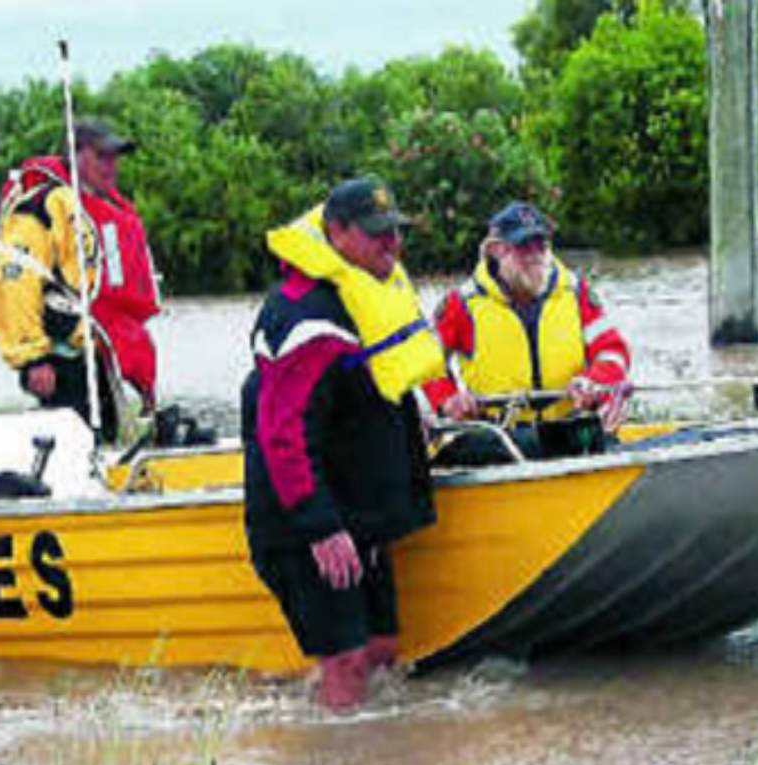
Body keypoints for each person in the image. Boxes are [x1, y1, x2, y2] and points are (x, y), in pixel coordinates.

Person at [242, 178, 447, 713]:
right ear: (336, 233)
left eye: (396, 234)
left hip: (358, 516)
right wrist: (320, 526)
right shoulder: (304, 313)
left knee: (381, 651)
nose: (392, 247)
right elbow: (282, 431)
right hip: (306, 522)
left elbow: (383, 390)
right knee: (348, 661)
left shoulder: (369, 296)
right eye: (377, 235)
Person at [0, 120, 162, 442]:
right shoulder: (38, 209)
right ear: (76, 156)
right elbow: (14, 282)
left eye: (115, 157)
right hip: (61, 358)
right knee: (77, 445)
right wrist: (33, 359)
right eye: (102, 156)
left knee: (110, 440)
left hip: (96, 353)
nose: (111, 166)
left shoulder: (101, 208)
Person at [421, 202, 633, 462]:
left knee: (599, 438)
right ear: (496, 250)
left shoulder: (576, 293)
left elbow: (613, 351)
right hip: (499, 437)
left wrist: (593, 380)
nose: (535, 255)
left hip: (570, 428)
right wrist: (449, 400)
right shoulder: (461, 304)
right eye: (523, 246)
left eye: (541, 245)